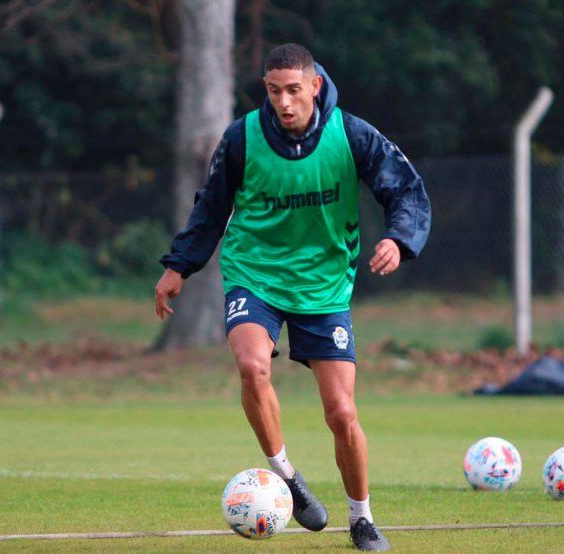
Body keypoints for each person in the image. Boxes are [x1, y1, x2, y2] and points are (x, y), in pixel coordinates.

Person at [154, 43, 430, 551]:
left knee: (341, 413)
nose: (283, 102)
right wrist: (179, 266)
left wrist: (398, 238)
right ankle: (287, 477)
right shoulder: (242, 137)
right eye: (274, 91)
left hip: (324, 285)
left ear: (315, 86)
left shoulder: (352, 134)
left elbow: (405, 189)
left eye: (294, 90)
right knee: (252, 365)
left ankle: (362, 518)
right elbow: (211, 207)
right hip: (254, 273)